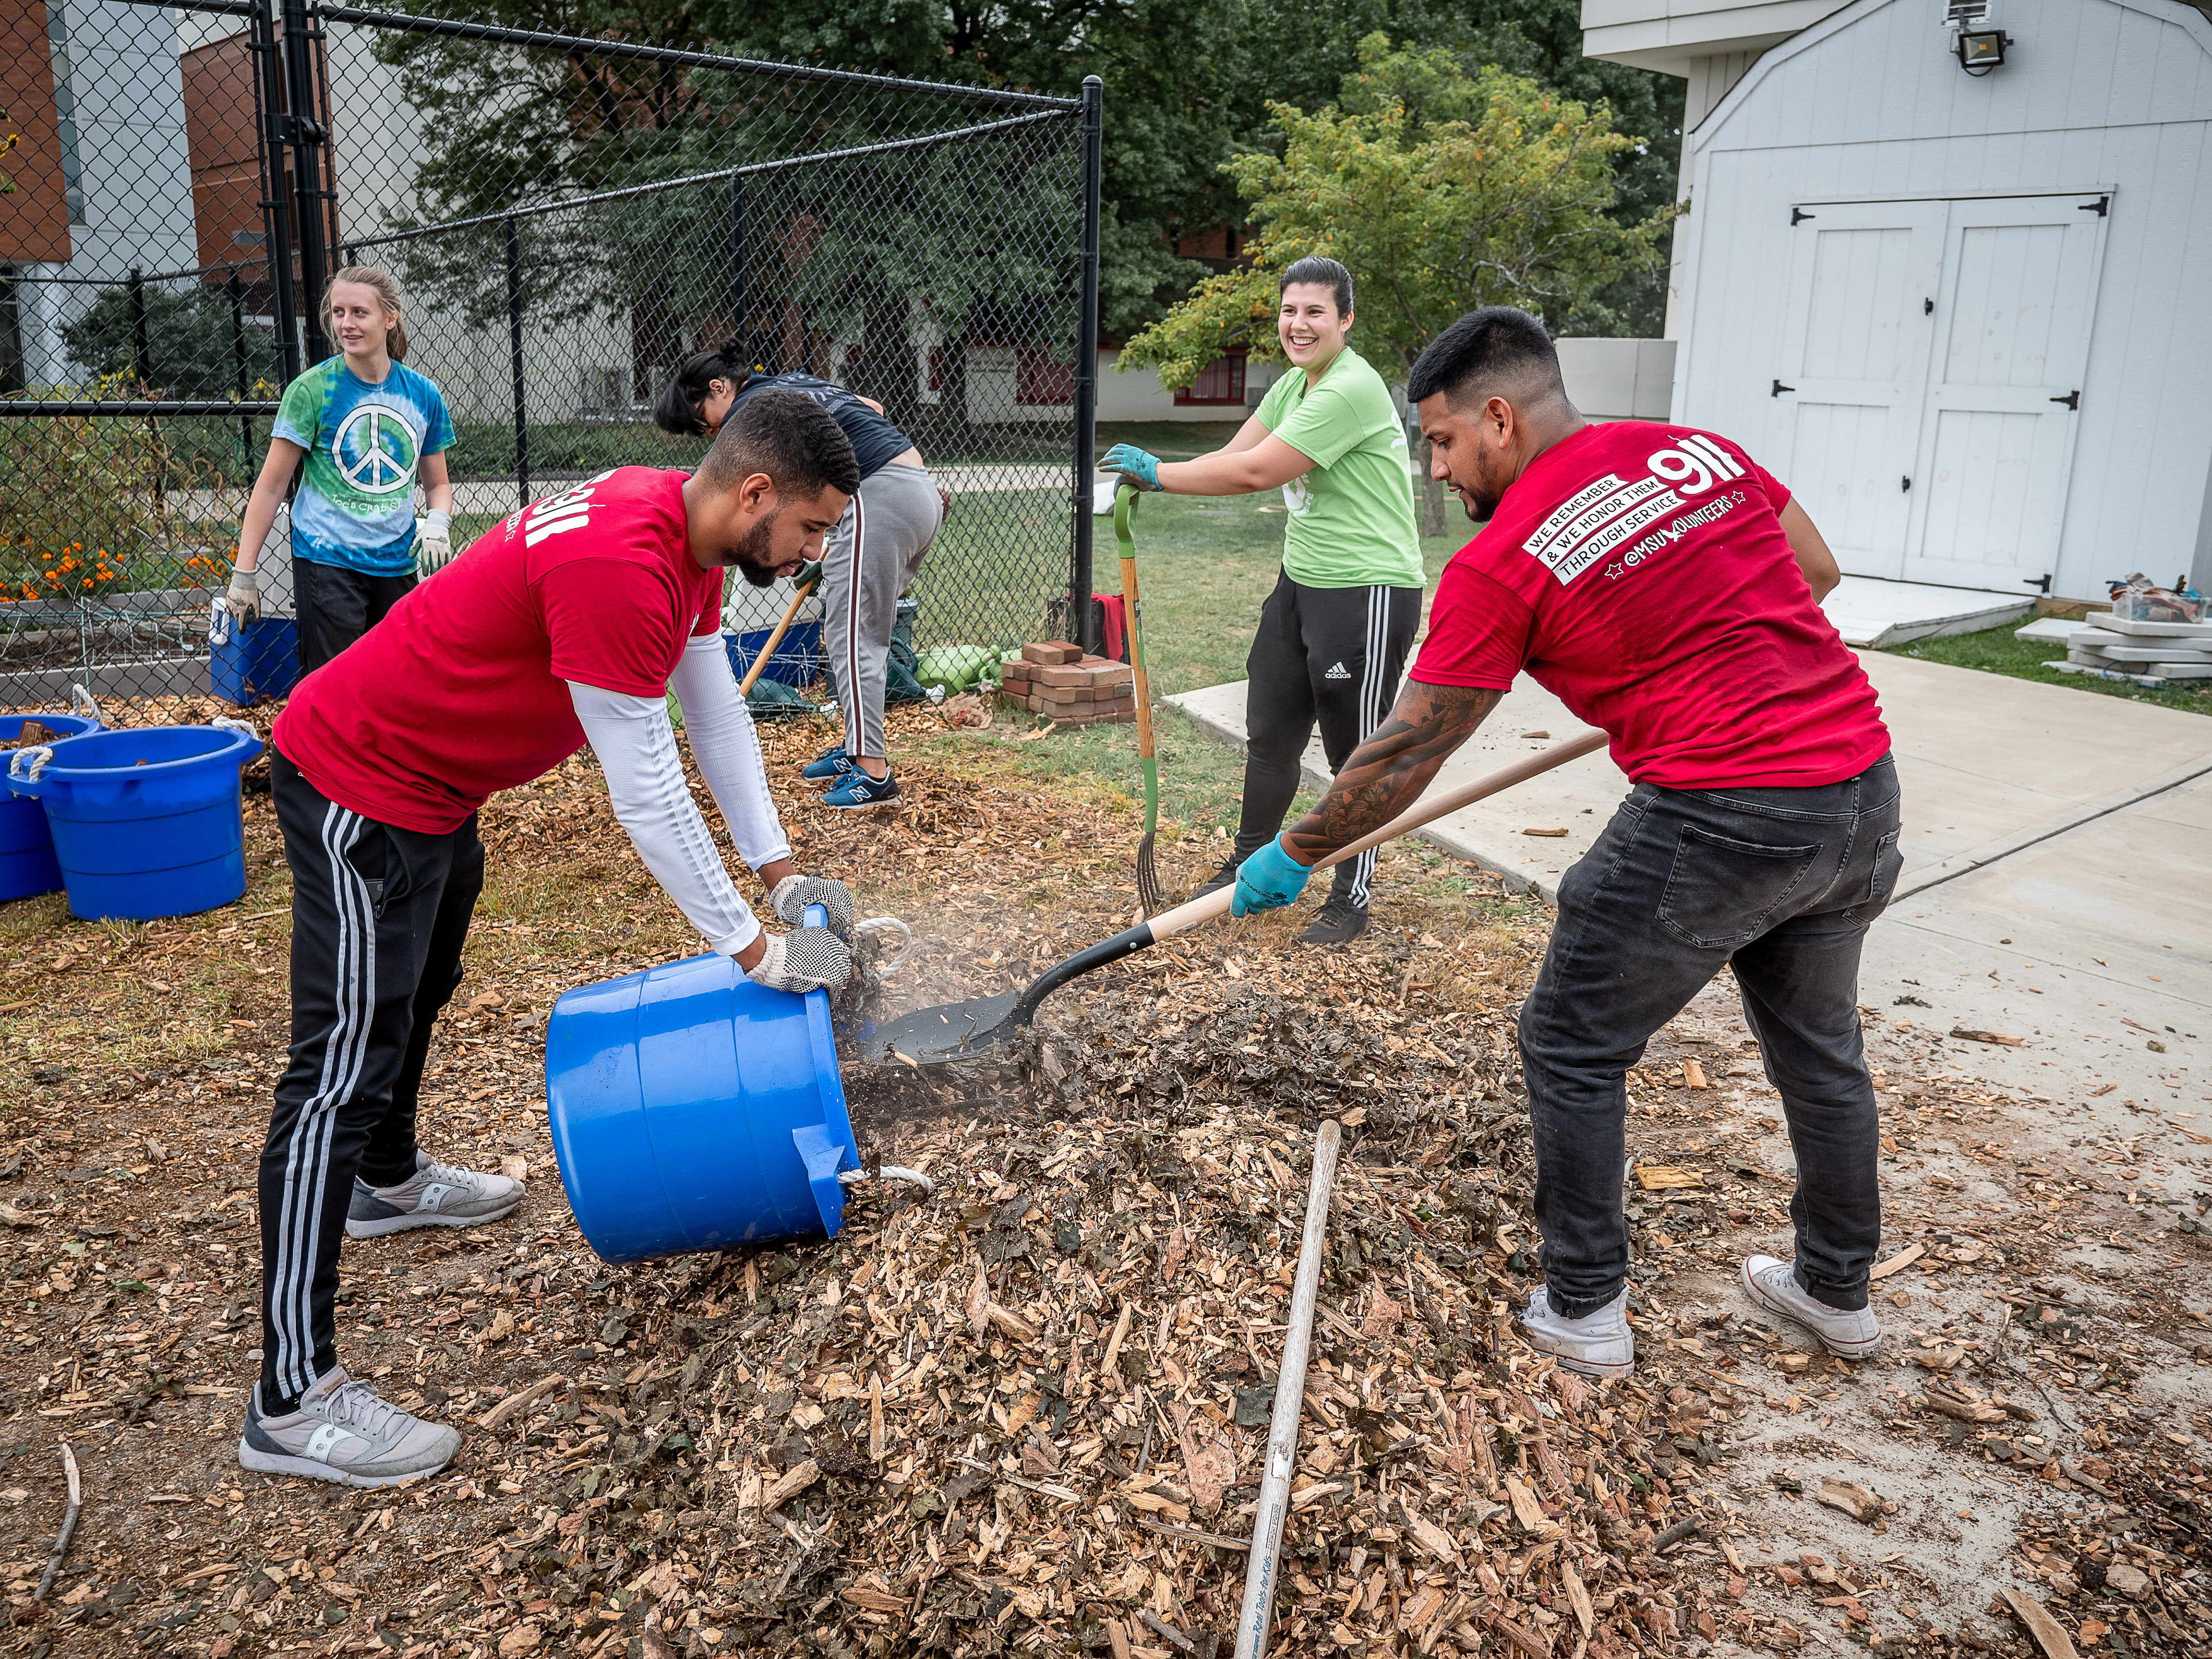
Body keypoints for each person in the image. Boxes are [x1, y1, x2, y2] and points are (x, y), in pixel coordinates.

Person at [1230, 307, 1902, 1379]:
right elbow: (1813, 574)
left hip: (1722, 812)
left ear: (1499, 416)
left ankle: (1585, 1308)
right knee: (1820, 1052)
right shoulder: (1695, 453)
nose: (1438, 470)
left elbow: (1404, 752)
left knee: (1570, 1041)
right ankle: (1837, 1290)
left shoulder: (1500, 563)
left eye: (1443, 442)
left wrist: (1292, 849)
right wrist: (1673, 665)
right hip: (1858, 792)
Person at [242, 389, 864, 1488]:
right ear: (757, 492)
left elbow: (714, 717)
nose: (813, 550)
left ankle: (385, 1179)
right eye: (812, 527)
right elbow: (647, 786)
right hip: (356, 776)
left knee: (420, 988)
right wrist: (753, 951)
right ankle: (290, 1398)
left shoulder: (686, 538)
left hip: (434, 789)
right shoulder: (624, 564)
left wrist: (781, 873)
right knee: (335, 1069)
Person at [1101, 256, 1424, 945]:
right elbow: (1235, 450)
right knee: (1271, 732)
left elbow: (1255, 472)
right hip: (1302, 582)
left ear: (1346, 319)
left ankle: (1351, 895)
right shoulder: (1296, 386)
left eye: (1315, 312)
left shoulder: (1349, 389)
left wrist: (1157, 475)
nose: (1298, 324)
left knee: (1356, 755)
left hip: (1365, 590)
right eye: (1289, 310)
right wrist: (1158, 468)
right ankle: (1248, 860)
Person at [656, 342, 945, 809]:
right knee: (848, 628)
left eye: (704, 421)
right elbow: (872, 408)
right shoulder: (792, 383)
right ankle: (858, 748)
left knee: (854, 636)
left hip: (878, 495)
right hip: (914, 489)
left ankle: (873, 775)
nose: (712, 432)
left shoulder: (750, 410)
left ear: (717, 388)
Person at [227, 267, 456, 673]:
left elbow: (437, 483)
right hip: (328, 561)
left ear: (389, 318)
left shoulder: (422, 394)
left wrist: (438, 521)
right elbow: (270, 488)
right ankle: (310, 741)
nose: (346, 324)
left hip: (397, 562)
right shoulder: (312, 390)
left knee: (397, 677)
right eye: (338, 312)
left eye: (359, 313)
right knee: (335, 683)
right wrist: (244, 573)